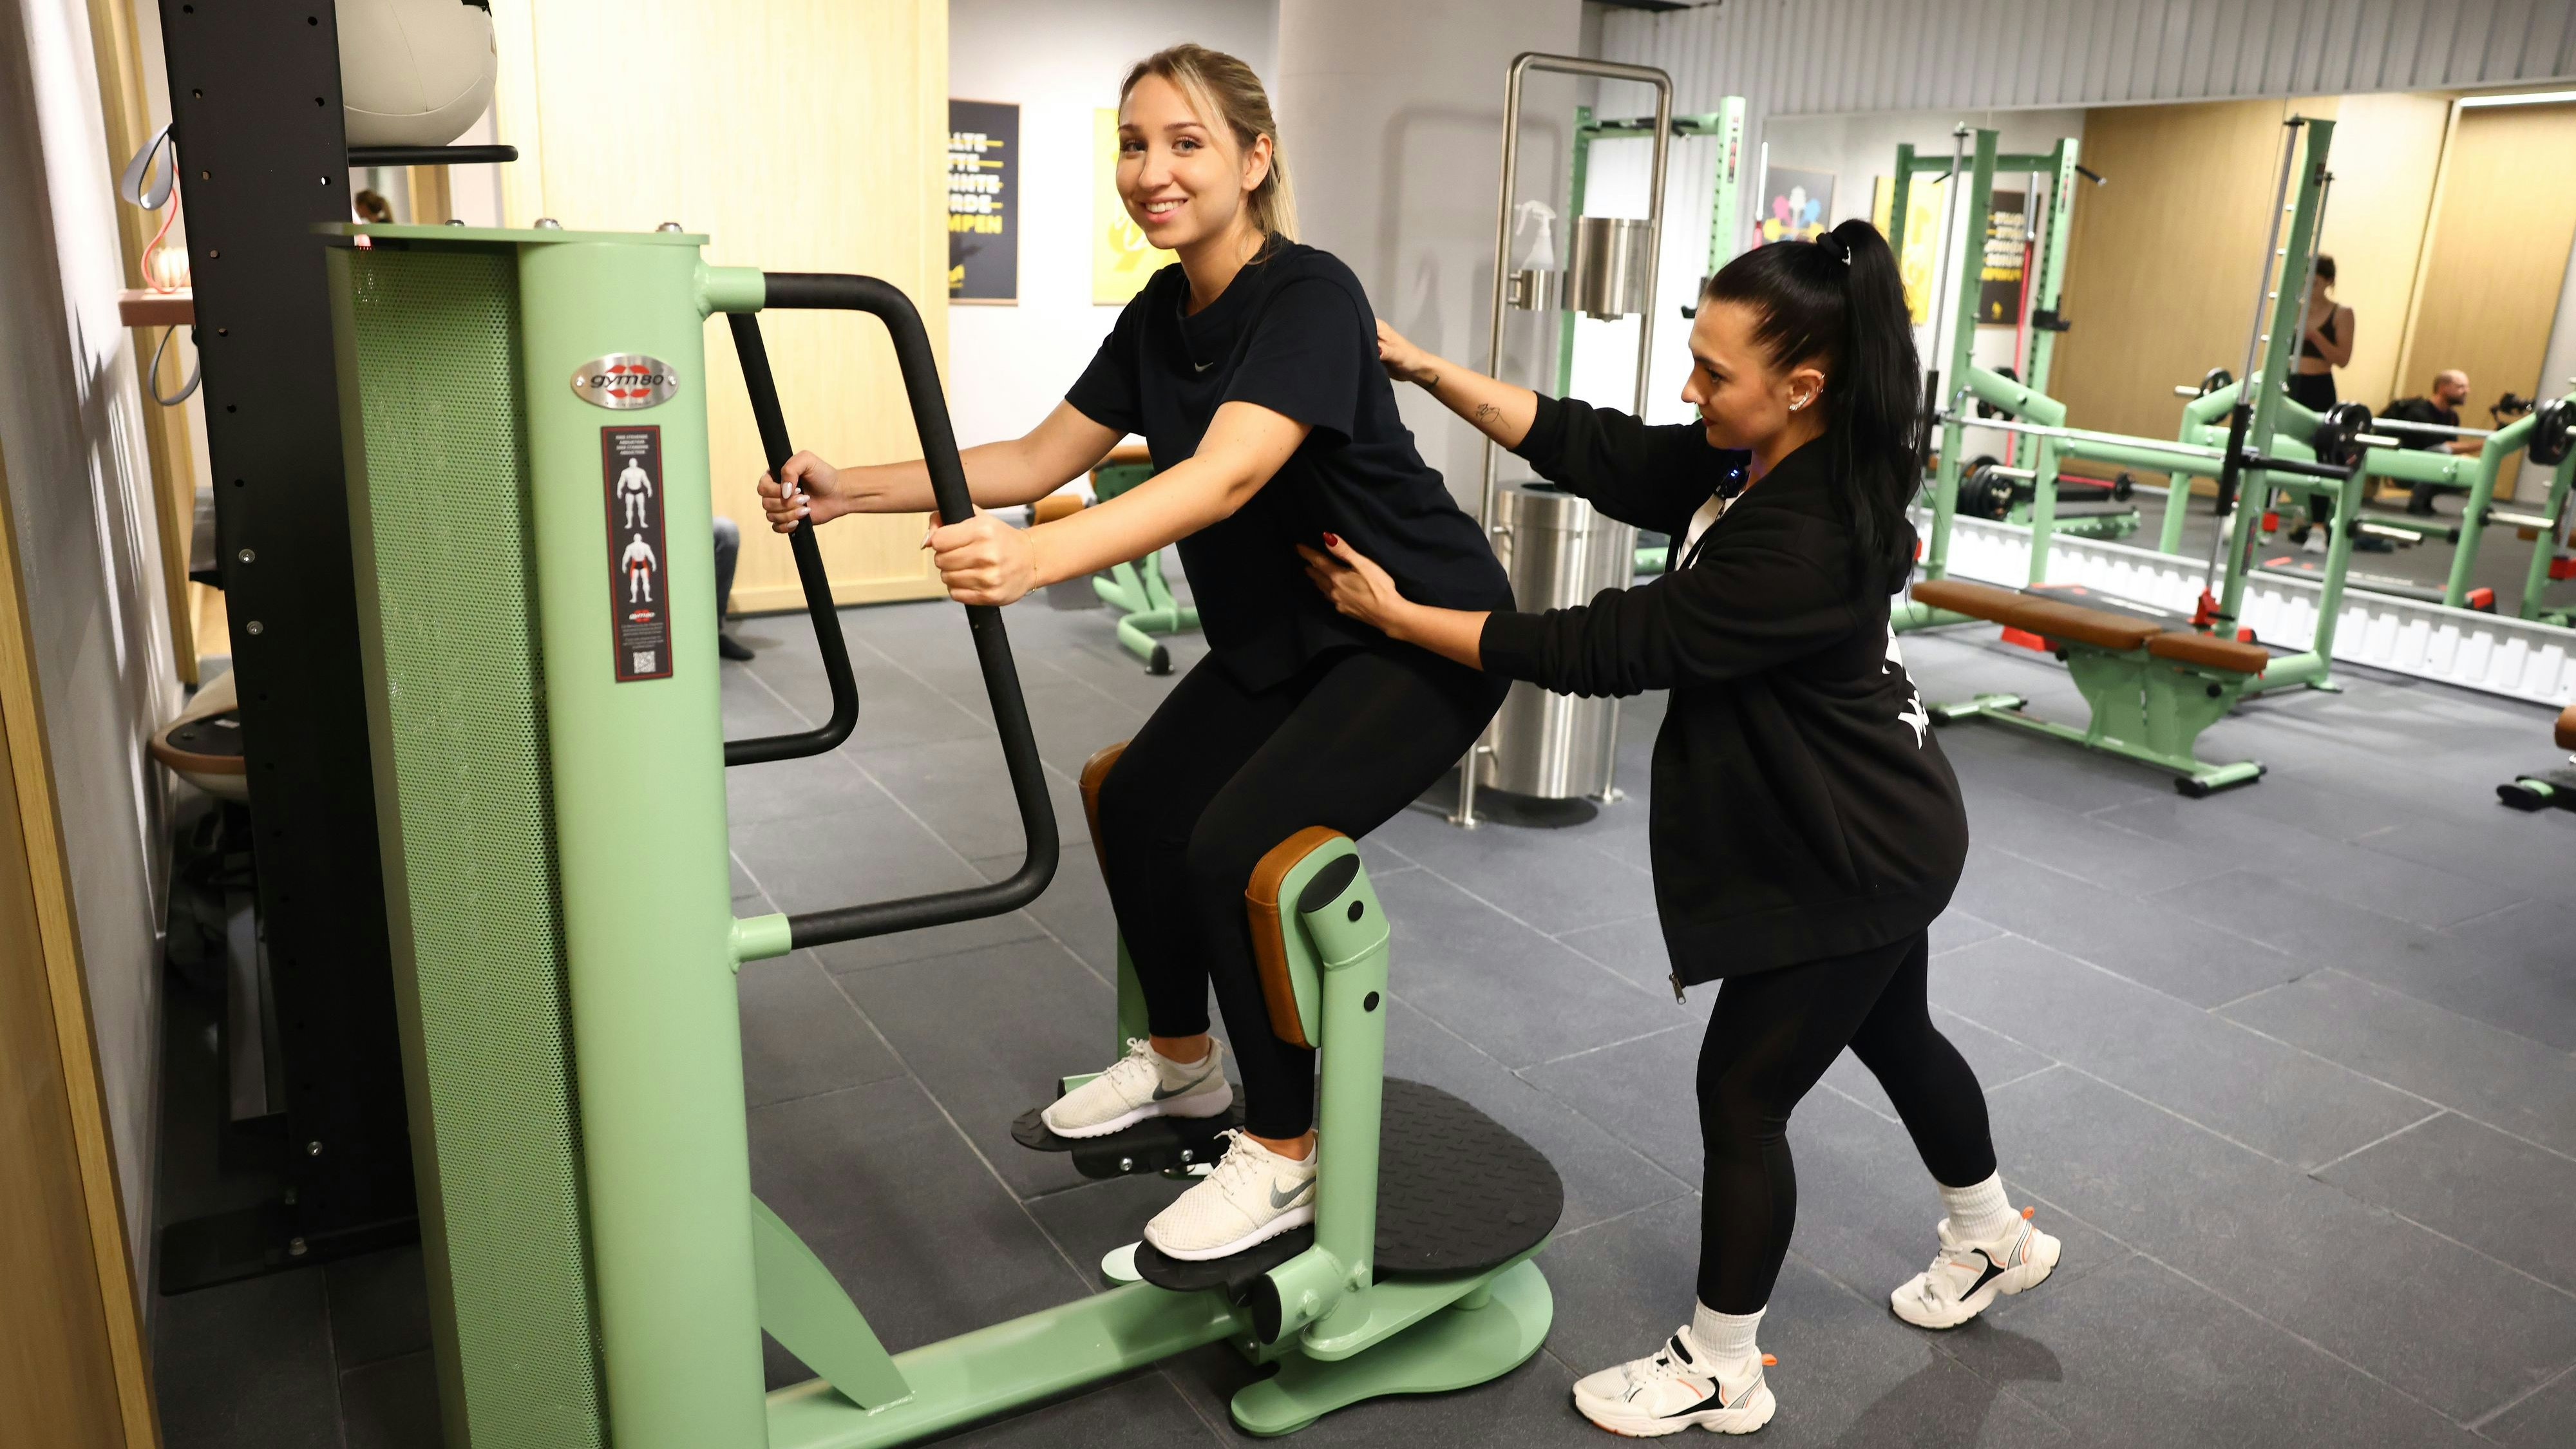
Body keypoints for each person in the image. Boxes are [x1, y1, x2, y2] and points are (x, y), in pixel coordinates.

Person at [755, 44, 1510, 1262]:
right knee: (1136, 796)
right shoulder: (1163, 312)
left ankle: (1283, 1153)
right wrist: (857, 490)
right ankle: (1182, 1072)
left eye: (1186, 142)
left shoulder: (1308, 295)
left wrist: (1038, 562)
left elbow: (1229, 473)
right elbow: (1039, 458)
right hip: (1288, 635)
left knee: (1238, 849)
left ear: (1256, 159)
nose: (1150, 171)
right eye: (1134, 144)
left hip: (1414, 635)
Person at [1308, 220, 2058, 1437]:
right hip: (1875, 821)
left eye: (1714, 371)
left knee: (1743, 1094)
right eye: (1693, 357)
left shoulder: (1804, 533)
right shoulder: (1753, 461)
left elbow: (1615, 646)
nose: (1689, 387)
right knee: (1898, 1036)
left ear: (1801, 387)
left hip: (1853, 850)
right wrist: (1430, 369)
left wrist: (1406, 617)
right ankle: (1993, 1239)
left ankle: (1722, 1366)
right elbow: (1600, 448)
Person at [2285, 256, 2357, 551]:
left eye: (2314, 282)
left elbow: (2342, 359)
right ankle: (2261, 518)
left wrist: (2314, 335)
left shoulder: (2342, 314)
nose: (2309, 287)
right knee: (2273, 446)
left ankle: (2318, 527)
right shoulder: (2293, 309)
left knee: (2321, 454)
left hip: (2319, 387)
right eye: (2305, 282)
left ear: (2328, 281)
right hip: (2291, 383)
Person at [2392, 369, 2482, 515]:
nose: (2467, 391)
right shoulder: (2418, 412)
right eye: (2461, 387)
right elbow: (2443, 448)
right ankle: (2417, 502)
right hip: (2402, 469)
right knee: (2442, 453)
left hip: (2424, 466)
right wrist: (2485, 443)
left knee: (2472, 469)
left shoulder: (2452, 417)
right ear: (2442, 387)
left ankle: (2426, 499)